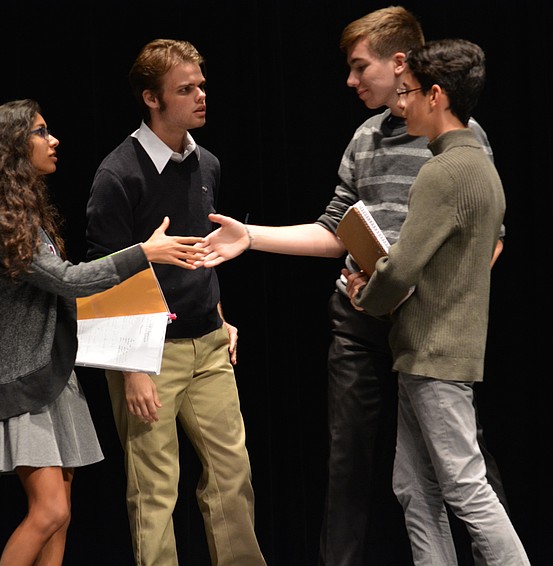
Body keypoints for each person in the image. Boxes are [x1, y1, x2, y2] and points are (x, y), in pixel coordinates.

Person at [198, 6, 507, 566]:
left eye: (360, 66)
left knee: (463, 470)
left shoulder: (457, 142)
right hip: (362, 319)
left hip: (429, 326)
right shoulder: (366, 137)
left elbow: (487, 236)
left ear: (401, 65)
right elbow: (334, 230)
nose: (351, 80)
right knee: (360, 469)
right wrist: (251, 237)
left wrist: (435, 297)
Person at [0, 99, 205, 566]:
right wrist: (144, 252)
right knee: (48, 510)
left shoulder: (27, 217)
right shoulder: (6, 223)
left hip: (51, 375)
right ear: (12, 149)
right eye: (41, 132)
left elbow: (67, 286)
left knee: (61, 517)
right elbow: (68, 279)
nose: (54, 140)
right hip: (24, 382)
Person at [344, 37, 528, 565]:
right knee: (414, 486)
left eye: (409, 93)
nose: (401, 104)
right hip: (432, 350)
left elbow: (402, 266)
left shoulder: (443, 172)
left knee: (466, 489)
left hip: (434, 353)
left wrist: (367, 294)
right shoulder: (479, 166)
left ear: (437, 96)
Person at [84, 39, 267, 566]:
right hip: (149, 354)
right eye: (185, 90)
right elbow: (104, 277)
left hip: (208, 345)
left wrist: (221, 317)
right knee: (155, 489)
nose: (200, 96)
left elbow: (202, 250)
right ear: (151, 99)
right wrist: (131, 370)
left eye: (201, 85)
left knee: (233, 474)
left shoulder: (205, 163)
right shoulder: (118, 175)